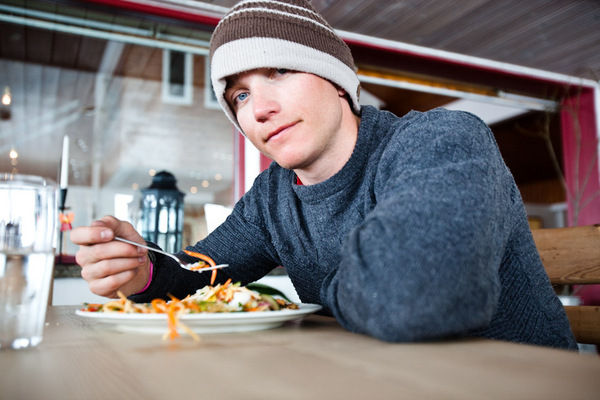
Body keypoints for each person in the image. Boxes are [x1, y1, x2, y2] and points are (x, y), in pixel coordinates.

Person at [71, 0, 576, 349]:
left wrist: (313, 288)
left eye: (279, 71)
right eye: (240, 95)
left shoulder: (441, 140)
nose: (259, 109)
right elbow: (201, 275)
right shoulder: (272, 196)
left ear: (337, 82)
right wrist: (142, 270)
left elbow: (411, 296)